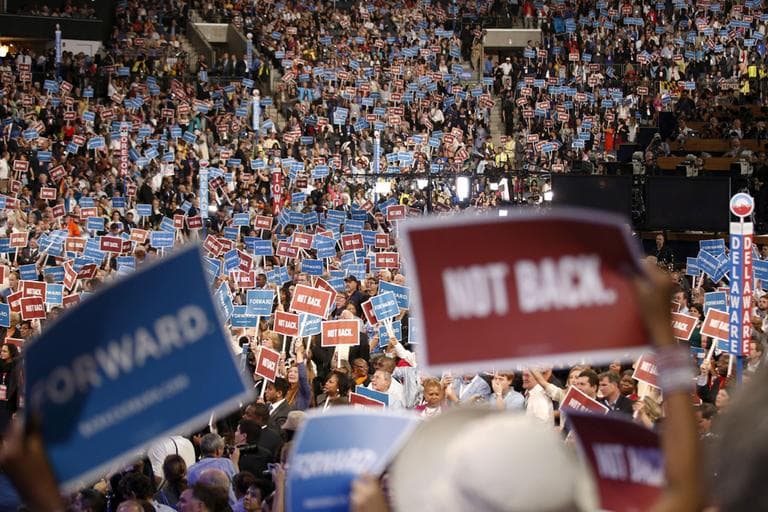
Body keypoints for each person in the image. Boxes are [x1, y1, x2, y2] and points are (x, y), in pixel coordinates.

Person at [186, 434, 239, 507]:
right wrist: (235, 462)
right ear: (218, 451)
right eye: (223, 449)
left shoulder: (190, 470)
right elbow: (238, 483)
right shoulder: (226, 463)